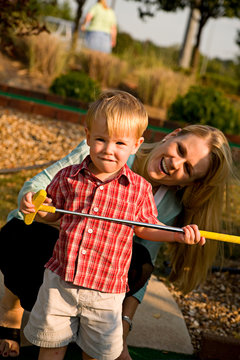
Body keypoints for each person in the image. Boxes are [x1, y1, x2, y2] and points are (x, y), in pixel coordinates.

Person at [0, 121, 235, 359]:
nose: (175, 164)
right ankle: (11, 308)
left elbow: (145, 265)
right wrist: (38, 205)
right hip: (45, 238)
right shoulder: (106, 151)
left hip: (94, 267)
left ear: (189, 183)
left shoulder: (168, 205)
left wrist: (121, 332)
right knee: (25, 246)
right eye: (181, 150)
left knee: (140, 260)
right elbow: (35, 188)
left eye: (188, 169)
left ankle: (85, 321)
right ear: (171, 136)